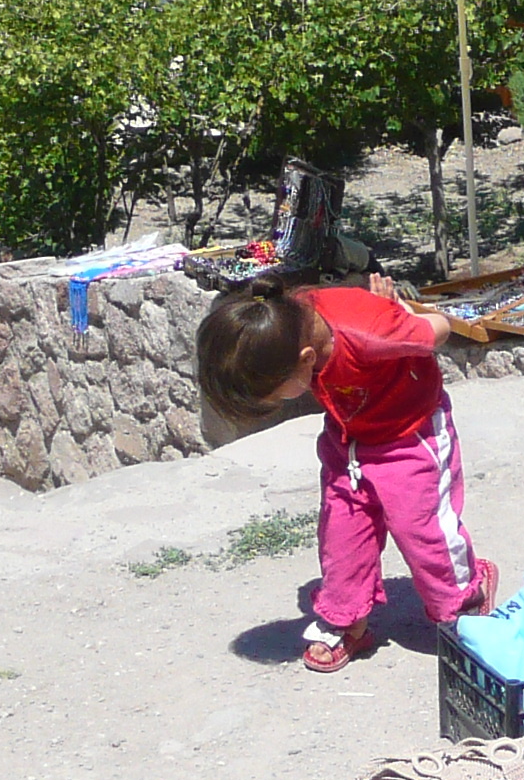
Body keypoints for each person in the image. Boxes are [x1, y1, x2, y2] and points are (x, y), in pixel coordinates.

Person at [196, 274, 499, 672]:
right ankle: (347, 615)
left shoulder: (369, 335)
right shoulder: (286, 318)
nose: (282, 401)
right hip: (349, 440)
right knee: (341, 532)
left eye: (276, 394)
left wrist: (397, 315)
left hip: (411, 435)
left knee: (422, 529)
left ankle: (464, 597)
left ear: (306, 360)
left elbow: (437, 329)